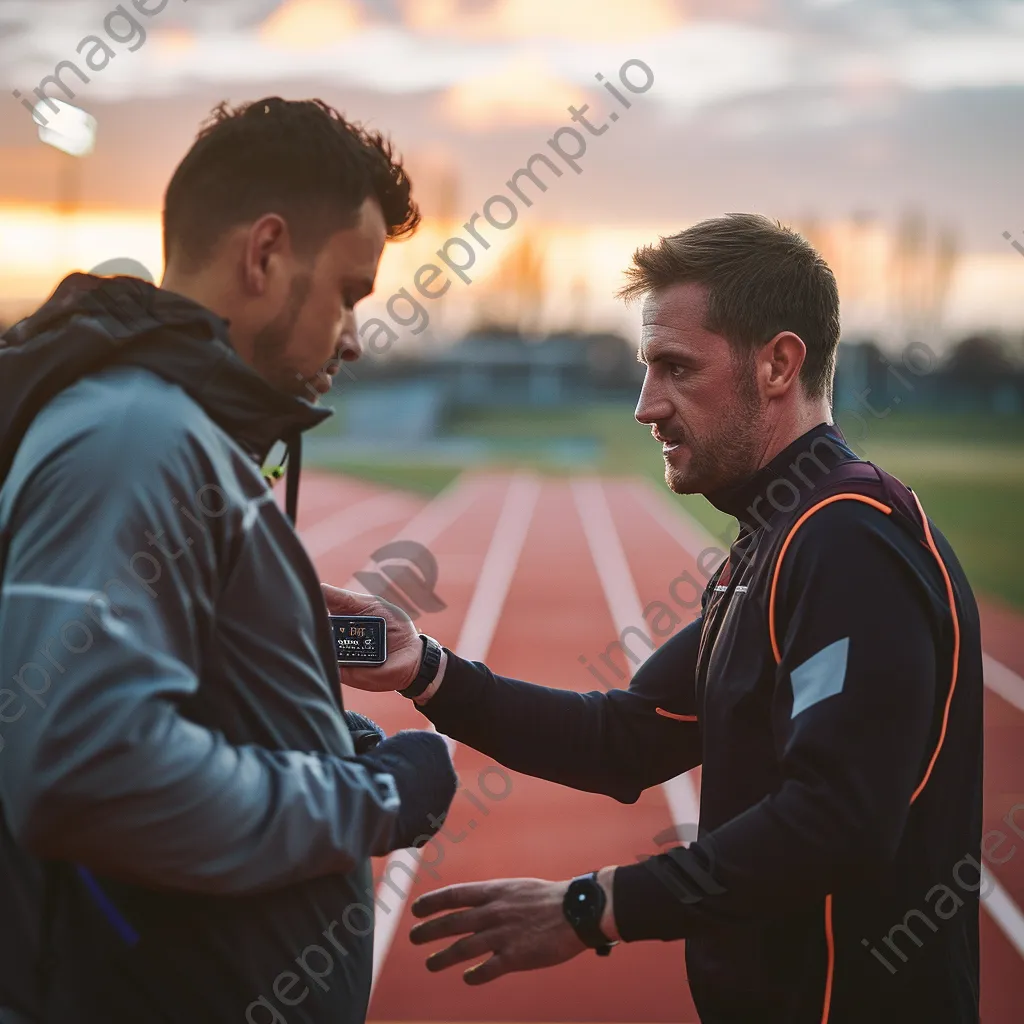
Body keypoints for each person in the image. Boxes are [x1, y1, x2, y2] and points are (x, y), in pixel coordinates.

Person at [324, 214, 985, 1024]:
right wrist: (425, 668)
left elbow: (838, 820)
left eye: (675, 368)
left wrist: (593, 908)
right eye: (647, 369)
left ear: (779, 364)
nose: (646, 406)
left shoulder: (848, 542)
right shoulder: (774, 542)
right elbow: (626, 738)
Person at [0, 97, 459, 1024]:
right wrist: (367, 794)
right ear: (264, 253)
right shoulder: (134, 435)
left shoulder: (174, 430)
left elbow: (163, 715)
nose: (356, 337)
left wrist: (323, 740)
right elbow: (86, 774)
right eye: (349, 292)